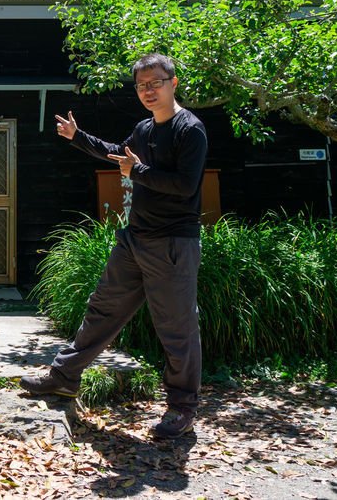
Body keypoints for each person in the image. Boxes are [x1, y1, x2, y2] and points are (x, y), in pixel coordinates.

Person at [20, 53, 208, 440]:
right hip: (135, 239)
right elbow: (117, 154)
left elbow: (185, 186)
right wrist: (78, 137)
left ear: (173, 82)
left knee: (177, 328)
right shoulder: (144, 129)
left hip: (173, 244)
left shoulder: (191, 129)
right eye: (141, 85)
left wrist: (136, 171)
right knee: (102, 310)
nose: (148, 90)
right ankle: (64, 377)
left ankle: (182, 407)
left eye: (155, 82)